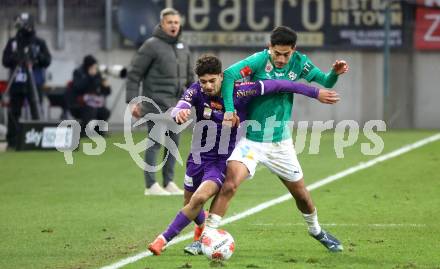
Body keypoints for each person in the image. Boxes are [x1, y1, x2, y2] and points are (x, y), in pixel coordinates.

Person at [147, 54, 340, 256]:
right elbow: (181, 106)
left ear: (222, 76)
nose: (208, 86)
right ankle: (203, 230)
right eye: (204, 81)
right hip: (197, 157)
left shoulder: (241, 91)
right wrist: (179, 113)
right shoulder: (196, 90)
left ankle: (163, 240)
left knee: (199, 199)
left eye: (212, 81)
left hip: (222, 159)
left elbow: (280, 85)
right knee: (190, 205)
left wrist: (315, 92)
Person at [204, 26, 350, 252]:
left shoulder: (300, 62)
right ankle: (207, 235)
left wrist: (334, 73)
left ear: (294, 50)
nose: (281, 59)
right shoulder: (259, 60)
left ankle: (316, 231)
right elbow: (230, 75)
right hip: (251, 140)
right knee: (230, 185)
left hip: (280, 144)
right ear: (269, 48)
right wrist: (230, 110)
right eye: (277, 53)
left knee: (302, 196)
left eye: (286, 54)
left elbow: (326, 82)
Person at [126, 7, 194, 196]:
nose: (173, 25)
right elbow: (134, 74)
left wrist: (193, 99)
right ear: (162, 24)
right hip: (155, 104)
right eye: (170, 22)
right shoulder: (151, 45)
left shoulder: (183, 47)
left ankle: (169, 182)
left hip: (176, 106)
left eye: (176, 22)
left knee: (173, 144)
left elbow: (190, 78)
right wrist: (132, 101)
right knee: (155, 143)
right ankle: (150, 185)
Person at [2, 13, 51, 148]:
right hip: (17, 82)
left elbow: (47, 61)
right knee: (14, 111)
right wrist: (15, 58)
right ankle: (13, 140)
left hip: (35, 82)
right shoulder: (13, 42)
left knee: (36, 109)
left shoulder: (39, 42)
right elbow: (5, 61)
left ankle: (38, 140)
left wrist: (37, 56)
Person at [68, 55, 111, 136]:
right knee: (91, 110)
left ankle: (99, 131)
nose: (95, 69)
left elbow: (105, 92)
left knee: (105, 112)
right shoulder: (78, 72)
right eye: (93, 67)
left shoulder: (97, 74)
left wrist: (106, 87)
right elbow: (78, 87)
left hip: (94, 102)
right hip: (80, 102)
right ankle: (84, 131)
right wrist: (89, 76)